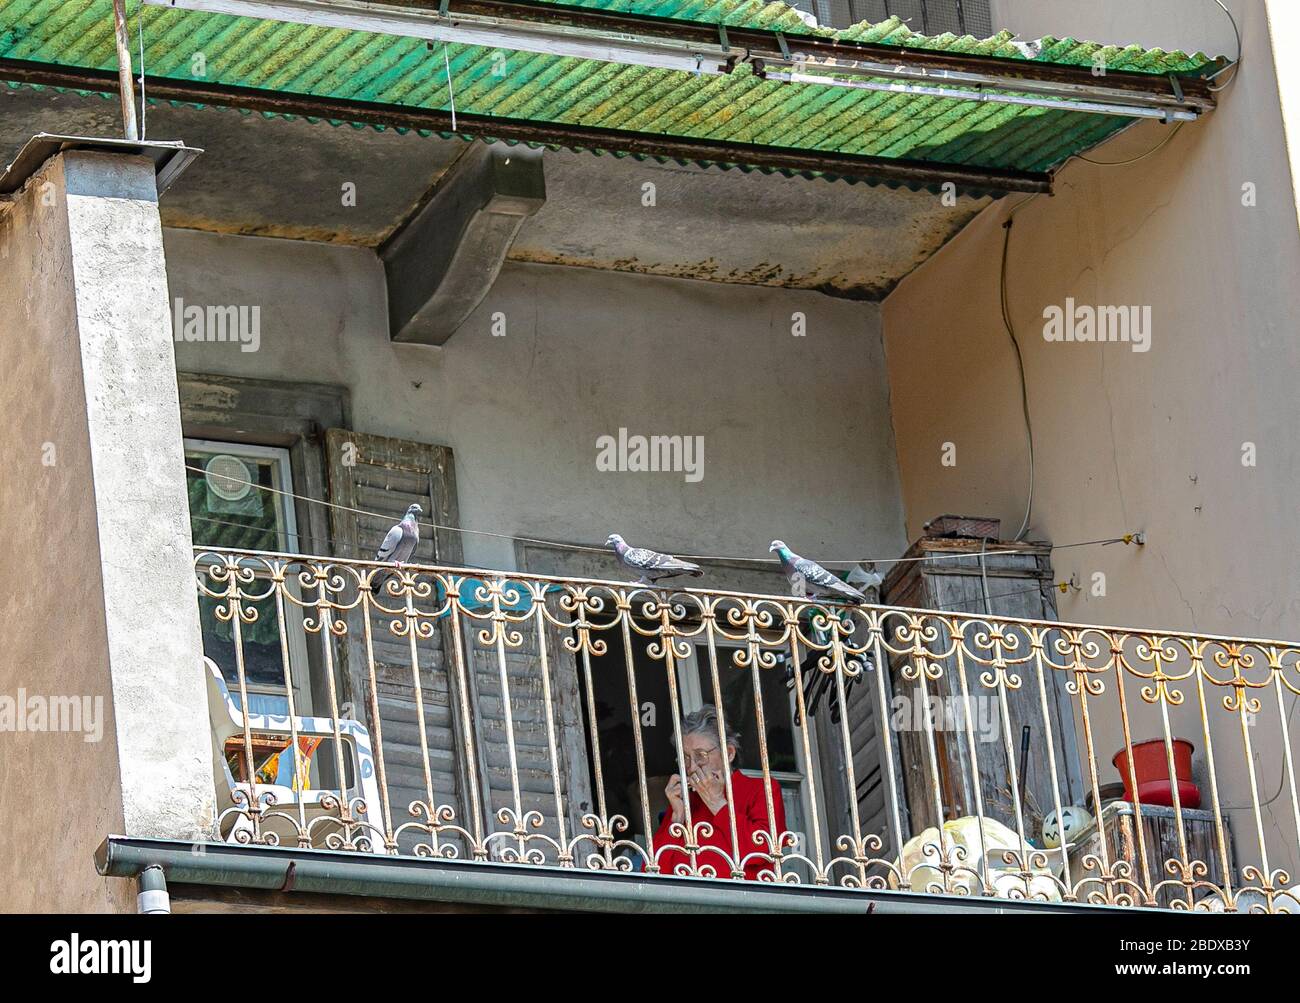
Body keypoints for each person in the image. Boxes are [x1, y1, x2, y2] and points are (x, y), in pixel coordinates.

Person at [647, 705, 786, 881]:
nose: (691, 767)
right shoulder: (685, 801)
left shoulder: (761, 789)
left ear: (728, 753)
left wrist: (717, 803)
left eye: (700, 755)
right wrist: (677, 818)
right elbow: (652, 872)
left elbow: (761, 853)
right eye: (685, 758)